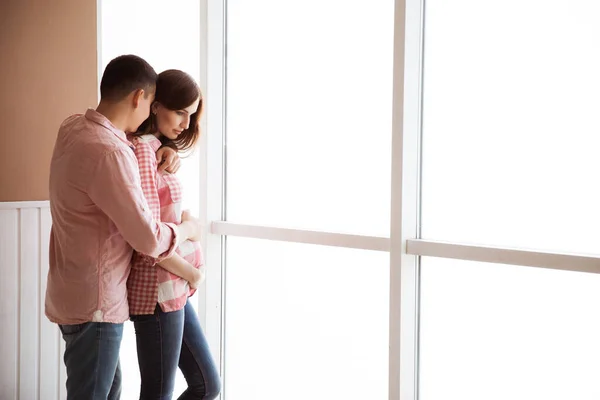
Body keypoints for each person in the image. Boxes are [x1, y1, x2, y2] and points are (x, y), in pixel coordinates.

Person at [46, 55, 204, 400]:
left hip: (69, 291)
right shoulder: (112, 152)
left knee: (106, 390)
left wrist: (162, 148)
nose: (149, 114)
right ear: (139, 98)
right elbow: (148, 238)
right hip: (97, 303)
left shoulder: (72, 127)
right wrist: (190, 230)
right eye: (151, 103)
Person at [128, 69, 221, 400]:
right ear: (155, 105)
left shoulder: (158, 150)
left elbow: (170, 215)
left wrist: (189, 224)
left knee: (208, 384)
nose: (185, 122)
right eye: (180, 111)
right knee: (159, 393)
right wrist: (193, 271)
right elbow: (148, 241)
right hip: (158, 292)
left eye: (190, 114)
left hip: (173, 291)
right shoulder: (141, 150)